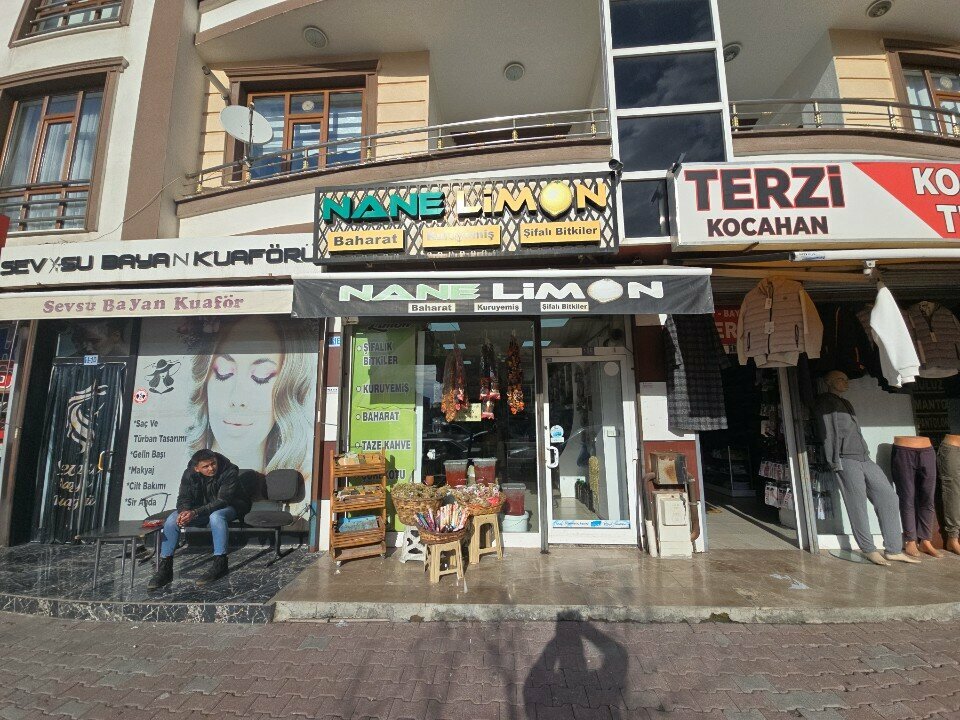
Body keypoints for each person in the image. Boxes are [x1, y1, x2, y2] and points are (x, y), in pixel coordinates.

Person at [184, 316, 314, 484]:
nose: (237, 399)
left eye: (261, 376)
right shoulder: (185, 478)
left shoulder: (301, 485)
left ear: (286, 392)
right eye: (224, 373)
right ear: (204, 385)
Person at [813, 370, 919, 567]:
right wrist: (833, 460)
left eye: (846, 379)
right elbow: (827, 432)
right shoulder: (826, 403)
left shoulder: (846, 402)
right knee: (857, 504)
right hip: (845, 458)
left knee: (888, 496)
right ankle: (868, 549)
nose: (845, 382)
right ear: (828, 382)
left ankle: (893, 549)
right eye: (840, 379)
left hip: (863, 456)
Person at [147, 449, 251, 589]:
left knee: (216, 517)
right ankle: (165, 567)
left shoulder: (229, 471)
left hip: (232, 506)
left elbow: (223, 500)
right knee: (172, 519)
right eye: (206, 466)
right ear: (197, 468)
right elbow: (183, 498)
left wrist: (195, 512)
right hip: (201, 509)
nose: (211, 468)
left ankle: (220, 562)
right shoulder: (189, 474)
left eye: (213, 463)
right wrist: (184, 512)